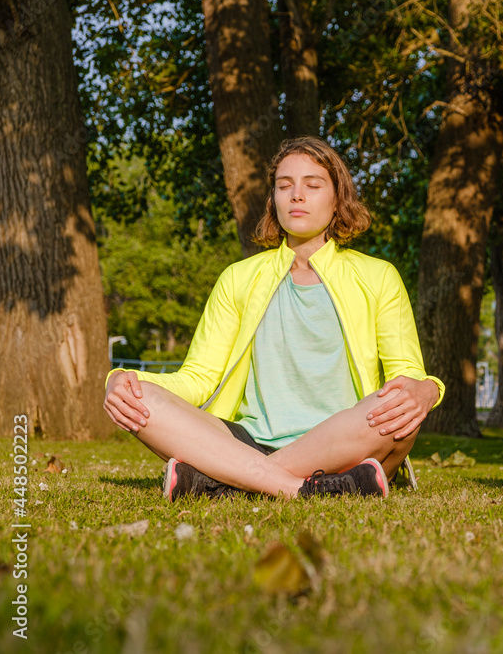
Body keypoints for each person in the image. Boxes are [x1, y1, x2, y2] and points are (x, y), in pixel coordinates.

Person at [103, 136, 444, 501]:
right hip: (244, 441)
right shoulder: (238, 278)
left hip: (343, 440)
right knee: (146, 402)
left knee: (395, 412)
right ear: (273, 200)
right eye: (285, 186)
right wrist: (124, 381)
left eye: (312, 185)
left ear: (337, 199)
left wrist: (429, 389)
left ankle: (225, 481)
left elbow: (405, 377)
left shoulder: (379, 276)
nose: (297, 195)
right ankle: (300, 488)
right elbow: (198, 378)